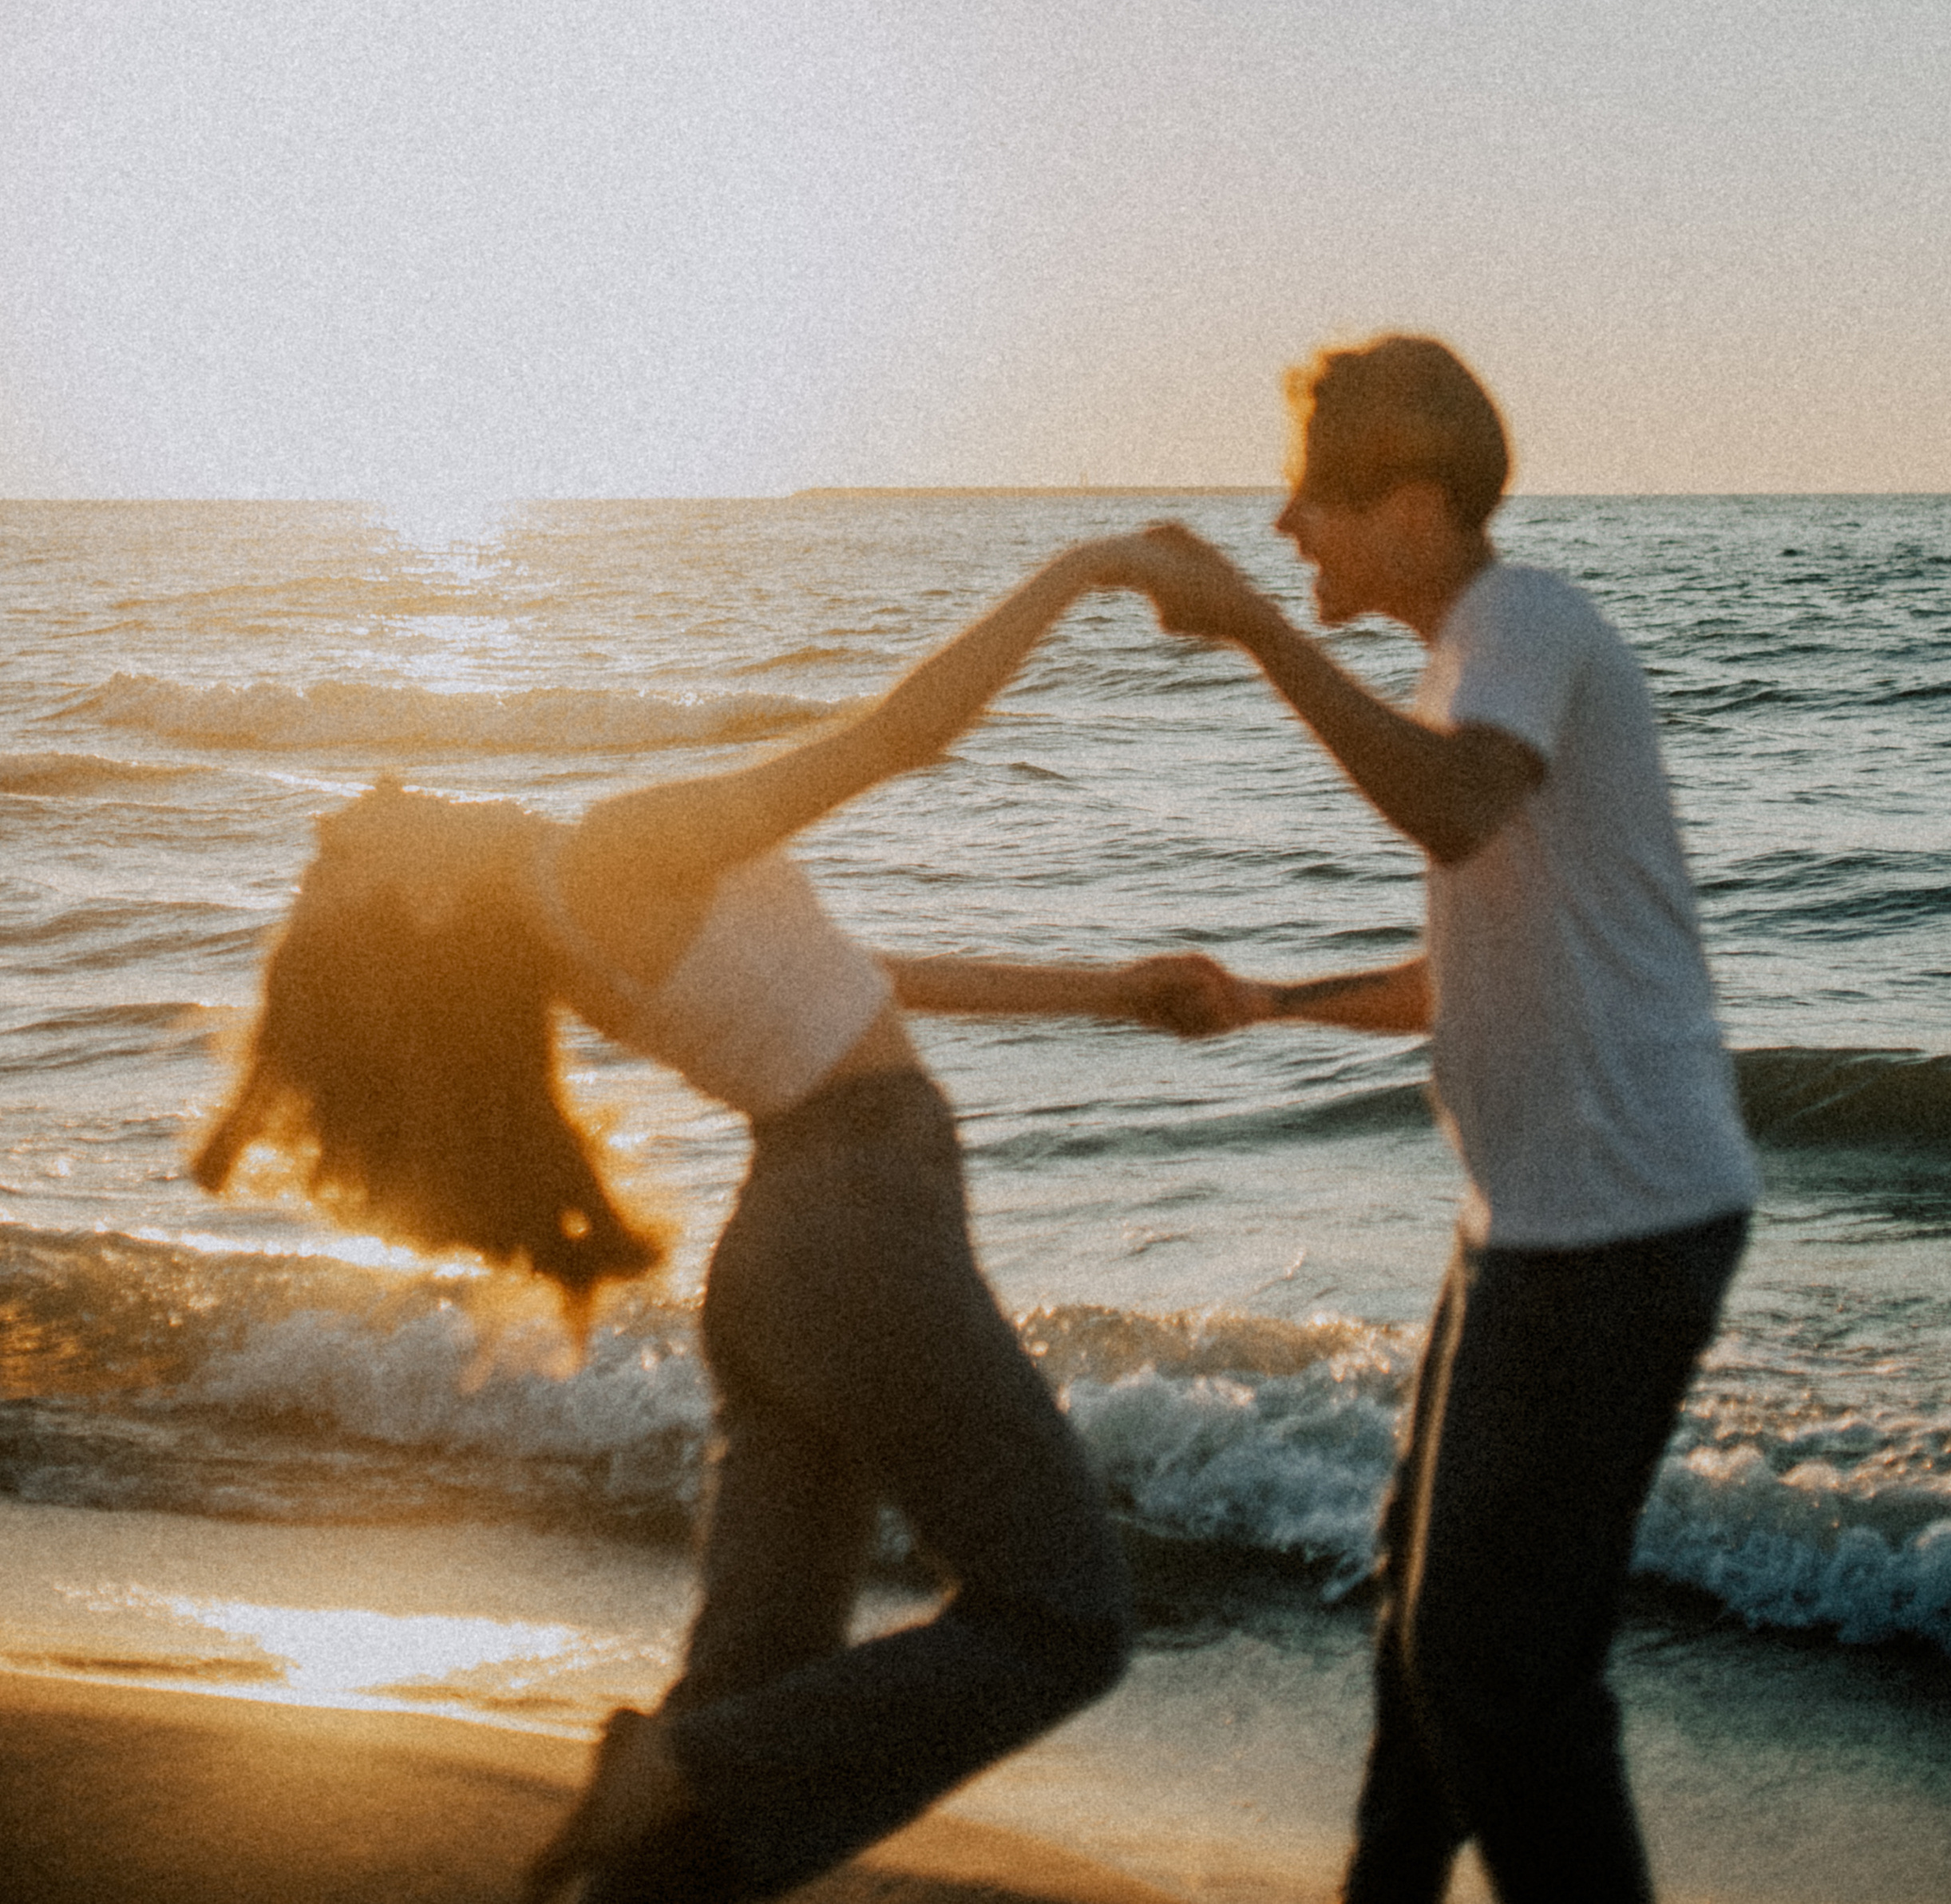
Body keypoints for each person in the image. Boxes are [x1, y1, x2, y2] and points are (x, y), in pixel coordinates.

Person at [192, 538, 1253, 1904]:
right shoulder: (613, 851)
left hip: (785, 1260)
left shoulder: (570, 921)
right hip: (857, 1234)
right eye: (359, 835)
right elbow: (902, 735)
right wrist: (1088, 566)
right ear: (429, 897)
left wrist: (1107, 992)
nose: (385, 786)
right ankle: (681, 1762)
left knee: (751, 1694)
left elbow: (849, 976)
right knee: (1063, 1617)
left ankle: (667, 1805)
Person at [1103, 338, 1758, 1904]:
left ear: (1409, 502)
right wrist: (1269, 1001)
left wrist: (1258, 631)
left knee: (1492, 1674)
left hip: (1611, 1226)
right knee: (1428, 1636)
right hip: (1540, 1224)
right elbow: (1462, 966)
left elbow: (1453, 808)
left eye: (1307, 499)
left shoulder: (1520, 621)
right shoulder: (1478, 657)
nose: (1283, 529)